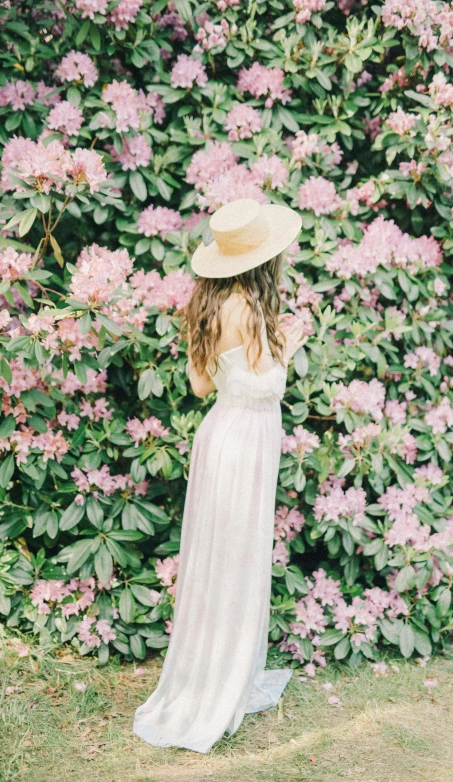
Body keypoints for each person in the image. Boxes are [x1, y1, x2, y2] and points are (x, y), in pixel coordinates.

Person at [133, 197, 307, 753]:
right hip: (247, 441)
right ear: (261, 262)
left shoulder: (207, 308)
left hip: (220, 435)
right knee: (237, 557)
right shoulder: (251, 311)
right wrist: (293, 344)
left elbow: (201, 387)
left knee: (216, 557)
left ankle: (207, 671)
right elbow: (268, 386)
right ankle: (222, 681)